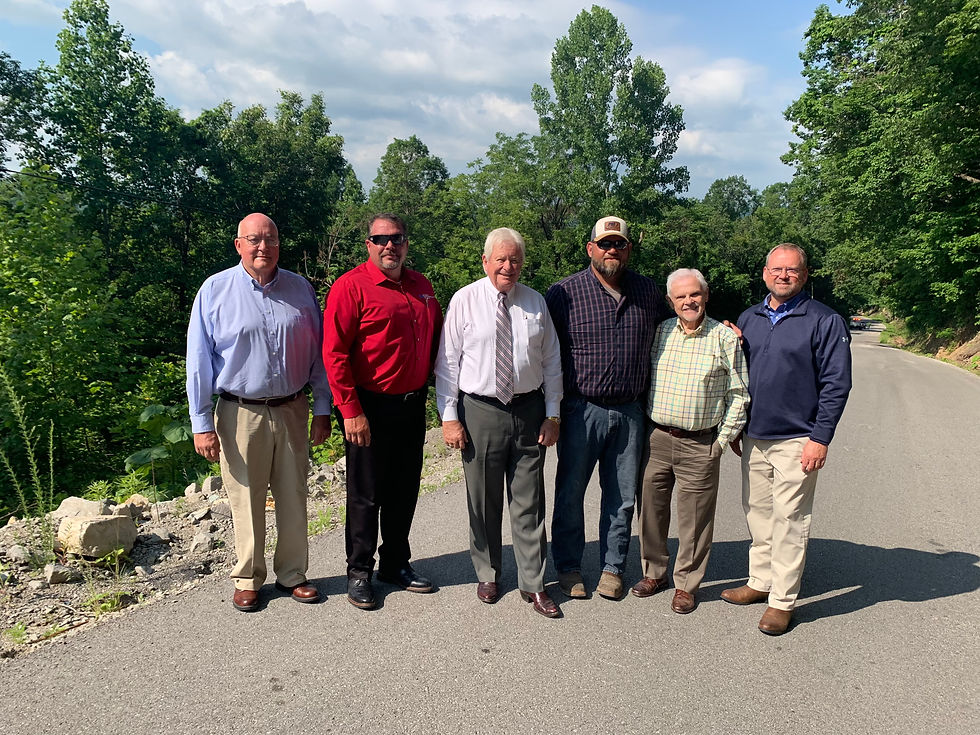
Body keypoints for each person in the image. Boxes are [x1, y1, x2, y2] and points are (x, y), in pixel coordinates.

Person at [186, 213, 331, 613]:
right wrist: (201, 423)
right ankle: (248, 577)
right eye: (253, 239)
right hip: (238, 412)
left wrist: (323, 407)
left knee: (293, 493)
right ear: (239, 245)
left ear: (279, 244)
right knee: (245, 497)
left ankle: (293, 574)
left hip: (292, 409)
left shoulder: (300, 290)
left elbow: (318, 354)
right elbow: (198, 361)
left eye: (269, 239)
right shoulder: (215, 290)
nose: (262, 246)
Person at [722, 243, 851, 635]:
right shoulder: (750, 317)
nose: (783, 276)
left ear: (805, 275)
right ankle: (759, 582)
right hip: (756, 435)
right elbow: (739, 376)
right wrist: (738, 424)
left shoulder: (824, 321)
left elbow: (836, 384)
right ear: (764, 273)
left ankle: (782, 601)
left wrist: (821, 437)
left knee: (790, 517)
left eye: (792, 270)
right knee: (757, 513)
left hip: (799, 438)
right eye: (777, 270)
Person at [435, 228, 563, 618]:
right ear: (486, 261)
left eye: (516, 260)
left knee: (530, 502)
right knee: (483, 498)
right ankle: (488, 571)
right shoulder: (465, 300)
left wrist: (553, 412)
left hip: (529, 410)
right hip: (480, 411)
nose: (509, 266)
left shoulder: (535, 302)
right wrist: (450, 416)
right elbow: (448, 363)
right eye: (501, 259)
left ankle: (534, 582)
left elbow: (552, 363)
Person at [545, 216, 672, 600]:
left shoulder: (649, 293)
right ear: (590, 249)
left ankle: (612, 567)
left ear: (629, 249)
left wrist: (721, 329)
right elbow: (543, 353)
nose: (611, 250)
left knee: (622, 496)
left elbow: (680, 330)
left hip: (631, 412)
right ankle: (568, 567)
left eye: (619, 244)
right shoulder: (563, 293)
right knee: (570, 493)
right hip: (580, 409)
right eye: (605, 244)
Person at [322, 213, 442, 610]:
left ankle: (395, 563)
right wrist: (350, 410)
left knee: (404, 490)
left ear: (407, 243)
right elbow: (335, 353)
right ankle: (359, 571)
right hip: (368, 406)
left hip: (411, 404)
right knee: (365, 494)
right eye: (380, 239)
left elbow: (439, 343)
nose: (389, 245)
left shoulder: (422, 286)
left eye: (397, 238)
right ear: (368, 245)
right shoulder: (350, 287)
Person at [633, 268, 749, 614]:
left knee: (695, 520)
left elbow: (739, 394)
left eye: (694, 295)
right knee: (651, 511)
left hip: (701, 442)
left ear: (706, 296)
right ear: (670, 301)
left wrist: (721, 441)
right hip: (656, 438)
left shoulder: (724, 338)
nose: (689, 301)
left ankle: (686, 584)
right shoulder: (661, 332)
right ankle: (654, 572)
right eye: (681, 296)